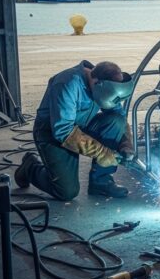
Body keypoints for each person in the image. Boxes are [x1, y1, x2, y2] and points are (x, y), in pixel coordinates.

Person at [14, 61, 136, 200]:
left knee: (116, 121)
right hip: (52, 133)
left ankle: (101, 182)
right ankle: (30, 167)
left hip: (81, 126)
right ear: (97, 83)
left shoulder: (105, 84)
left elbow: (119, 114)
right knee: (67, 192)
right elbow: (63, 131)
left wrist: (126, 143)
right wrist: (103, 153)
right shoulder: (67, 83)